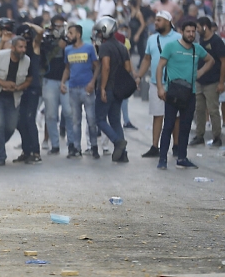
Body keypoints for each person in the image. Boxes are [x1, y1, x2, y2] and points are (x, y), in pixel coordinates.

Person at [156, 20, 214, 169]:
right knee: (168, 125)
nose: (191, 34)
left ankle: (182, 157)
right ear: (182, 32)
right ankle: (162, 159)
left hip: (190, 94)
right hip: (173, 92)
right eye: (188, 31)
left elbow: (210, 60)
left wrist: (199, 73)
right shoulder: (171, 47)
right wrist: (160, 88)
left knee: (185, 127)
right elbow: (160, 66)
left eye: (193, 32)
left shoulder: (197, 49)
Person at [134, 11, 182, 158]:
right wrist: (139, 76)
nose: (155, 23)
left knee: (175, 116)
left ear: (168, 22)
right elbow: (147, 59)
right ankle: (155, 146)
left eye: (159, 20)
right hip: (156, 83)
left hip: (174, 83)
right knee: (157, 114)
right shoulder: (152, 39)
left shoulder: (179, 38)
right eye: (155, 20)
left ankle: (176, 145)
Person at [0, 36, 32, 166]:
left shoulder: (27, 61)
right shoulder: (0, 56)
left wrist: (18, 87)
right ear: (13, 47)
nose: (23, 50)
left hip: (13, 97)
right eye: (20, 47)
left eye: (25, 47)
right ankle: (0, 156)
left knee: (10, 127)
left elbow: (29, 79)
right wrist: (3, 83)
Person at [93, 17, 130, 163]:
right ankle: (122, 155)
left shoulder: (105, 47)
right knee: (115, 120)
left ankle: (117, 141)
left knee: (100, 119)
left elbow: (106, 67)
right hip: (118, 89)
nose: (98, 35)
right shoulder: (122, 47)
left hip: (107, 88)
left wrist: (102, 87)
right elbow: (128, 69)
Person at [60, 25, 100, 159]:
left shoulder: (89, 48)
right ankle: (76, 147)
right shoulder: (67, 50)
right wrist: (62, 82)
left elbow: (97, 66)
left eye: (70, 33)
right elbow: (67, 68)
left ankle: (94, 146)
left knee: (91, 120)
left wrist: (92, 82)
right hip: (73, 88)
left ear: (78, 34)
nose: (68, 36)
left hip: (86, 88)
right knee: (75, 120)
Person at [41, 15, 75, 155]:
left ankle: (72, 142)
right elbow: (42, 53)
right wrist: (54, 43)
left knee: (68, 112)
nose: (60, 29)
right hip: (49, 80)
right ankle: (54, 144)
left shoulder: (70, 40)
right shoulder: (47, 40)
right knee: (50, 114)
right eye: (57, 26)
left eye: (62, 26)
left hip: (66, 80)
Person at [190, 17, 225, 147]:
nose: (197, 30)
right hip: (199, 81)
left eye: (198, 27)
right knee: (199, 109)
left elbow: (223, 62)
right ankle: (199, 135)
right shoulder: (200, 41)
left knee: (213, 110)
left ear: (205, 26)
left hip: (212, 82)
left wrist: (221, 82)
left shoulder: (216, 42)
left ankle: (217, 137)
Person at [13, 22, 43, 164]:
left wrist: (29, 24)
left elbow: (41, 32)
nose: (26, 38)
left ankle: (36, 152)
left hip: (32, 88)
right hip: (20, 88)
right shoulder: (17, 50)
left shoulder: (34, 48)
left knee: (29, 119)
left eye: (27, 35)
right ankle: (26, 150)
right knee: (20, 121)